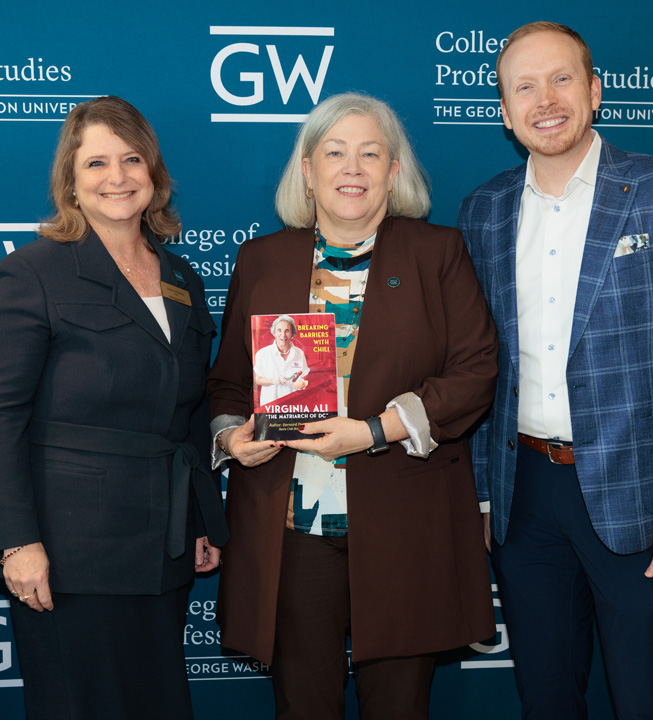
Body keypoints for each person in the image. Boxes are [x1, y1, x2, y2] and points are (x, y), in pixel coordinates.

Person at [457, 21, 653, 719]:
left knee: (649, 700)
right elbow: (475, 363)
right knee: (546, 698)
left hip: (642, 500)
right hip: (523, 500)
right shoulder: (483, 211)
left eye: (561, 79)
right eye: (525, 87)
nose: (545, 101)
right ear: (505, 111)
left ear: (594, 91)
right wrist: (485, 497)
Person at [208, 93, 498, 719]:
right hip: (293, 533)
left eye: (371, 154)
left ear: (394, 172)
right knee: (303, 706)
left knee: (399, 707)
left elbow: (475, 373)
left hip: (404, 526)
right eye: (335, 152)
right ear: (307, 171)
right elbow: (228, 383)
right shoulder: (261, 259)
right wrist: (231, 438)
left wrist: (374, 431)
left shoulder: (437, 252)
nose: (352, 168)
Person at [0, 96, 228, 720]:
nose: (118, 177)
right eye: (97, 163)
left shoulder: (181, 277)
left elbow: (189, 406)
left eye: (132, 159)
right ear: (71, 182)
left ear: (154, 174)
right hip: (69, 553)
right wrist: (17, 542)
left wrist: (202, 516)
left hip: (163, 547)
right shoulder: (29, 274)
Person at [254, 314, 310, 405]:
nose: (283, 335)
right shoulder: (262, 354)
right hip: (270, 405)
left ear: (292, 334)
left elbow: (304, 375)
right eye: (279, 330)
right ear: (274, 333)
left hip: (293, 404)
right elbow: (258, 380)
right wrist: (274, 381)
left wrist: (301, 382)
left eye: (287, 331)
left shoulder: (299, 353)